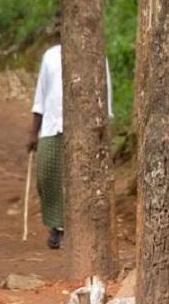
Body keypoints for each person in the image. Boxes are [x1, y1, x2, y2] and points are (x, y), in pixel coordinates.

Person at [27, 42, 115, 250]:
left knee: (82, 177)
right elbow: (41, 97)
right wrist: (33, 132)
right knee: (47, 176)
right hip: (52, 126)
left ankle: (71, 230)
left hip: (84, 127)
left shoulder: (95, 53)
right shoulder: (50, 56)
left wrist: (102, 126)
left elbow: (105, 92)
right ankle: (56, 225)